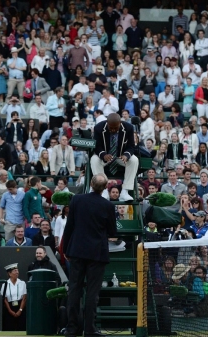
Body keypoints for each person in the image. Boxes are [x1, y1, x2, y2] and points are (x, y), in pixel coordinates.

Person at [63, 173, 116, 337]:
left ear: (91, 185)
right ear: (105, 187)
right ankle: (90, 329)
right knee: (93, 293)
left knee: (74, 290)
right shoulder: (108, 205)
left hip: (77, 251)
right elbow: (113, 232)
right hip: (97, 253)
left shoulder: (77, 200)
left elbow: (69, 226)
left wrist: (66, 249)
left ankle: (72, 328)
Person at [90, 114, 138, 201]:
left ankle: (125, 191)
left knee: (134, 160)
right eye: (110, 127)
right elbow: (96, 146)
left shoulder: (129, 127)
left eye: (115, 128)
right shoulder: (98, 127)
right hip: (105, 158)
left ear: (120, 123)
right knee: (94, 159)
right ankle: (103, 190)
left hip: (120, 157)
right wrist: (103, 155)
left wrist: (126, 155)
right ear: (107, 123)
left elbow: (131, 146)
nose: (113, 130)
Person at [0, 263, 27, 331]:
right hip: (9, 307)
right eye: (15, 271)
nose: (17, 272)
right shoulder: (5, 284)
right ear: (9, 273)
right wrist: (10, 310)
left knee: (21, 327)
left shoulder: (22, 283)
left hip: (20, 307)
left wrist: (20, 310)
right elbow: (5, 299)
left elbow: (24, 298)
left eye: (17, 270)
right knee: (9, 327)